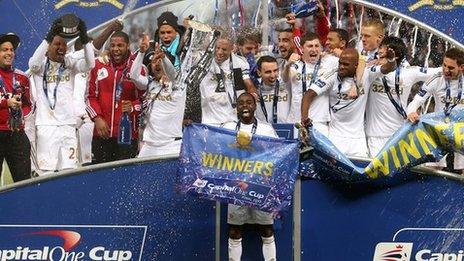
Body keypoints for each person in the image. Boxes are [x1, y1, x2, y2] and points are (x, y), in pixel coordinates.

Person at [29, 18, 94, 172]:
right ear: (48, 47)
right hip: (46, 126)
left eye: (64, 44)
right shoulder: (40, 67)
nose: (61, 47)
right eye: (57, 44)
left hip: (68, 125)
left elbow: (90, 64)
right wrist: (49, 36)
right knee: (46, 172)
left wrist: (84, 39)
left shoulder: (70, 64)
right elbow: (32, 64)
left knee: (69, 171)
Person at [221, 92, 278, 261]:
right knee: (235, 231)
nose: (245, 105)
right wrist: (190, 126)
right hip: (236, 185)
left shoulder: (266, 129)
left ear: (254, 106)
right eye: (241, 103)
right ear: (237, 108)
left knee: (266, 229)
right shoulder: (228, 128)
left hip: (260, 185)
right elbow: (212, 143)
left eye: (248, 102)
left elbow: (277, 153)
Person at [365, 36, 441, 157]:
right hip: (373, 136)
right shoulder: (371, 70)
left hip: (399, 134)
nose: (379, 55)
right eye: (380, 51)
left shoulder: (409, 72)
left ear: (395, 56)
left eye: (384, 53)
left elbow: (438, 71)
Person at [86, 31, 144, 164]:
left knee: (125, 178)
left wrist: (133, 107)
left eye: (120, 45)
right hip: (102, 133)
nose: (116, 49)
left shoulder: (138, 68)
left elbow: (145, 99)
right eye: (112, 46)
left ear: (127, 46)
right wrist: (97, 118)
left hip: (127, 135)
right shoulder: (98, 65)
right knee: (100, 178)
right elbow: (89, 96)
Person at [301, 48, 369, 157]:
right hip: (336, 137)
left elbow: (385, 68)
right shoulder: (332, 75)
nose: (341, 67)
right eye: (340, 63)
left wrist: (391, 60)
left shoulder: (366, 74)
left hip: (358, 140)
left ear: (356, 65)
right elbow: (308, 95)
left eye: (346, 64)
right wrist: (304, 120)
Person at [406, 48, 464, 172]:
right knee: (434, 168)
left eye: (451, 68)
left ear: (462, 67)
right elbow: (415, 101)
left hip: (461, 131)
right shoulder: (436, 79)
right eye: (444, 65)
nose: (446, 70)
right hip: (439, 128)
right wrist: (411, 112)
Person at [132, 33, 185, 157]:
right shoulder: (150, 83)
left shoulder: (178, 85)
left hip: (172, 145)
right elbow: (134, 76)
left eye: (160, 61)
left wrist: (164, 58)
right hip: (150, 146)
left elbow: (173, 75)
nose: (157, 64)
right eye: (155, 61)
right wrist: (141, 53)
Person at [284, 32, 339, 134]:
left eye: (317, 46)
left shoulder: (330, 62)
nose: (314, 49)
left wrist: (338, 53)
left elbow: (356, 60)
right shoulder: (295, 65)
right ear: (302, 49)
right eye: (310, 46)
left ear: (321, 48)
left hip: (319, 121)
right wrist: (287, 65)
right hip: (296, 121)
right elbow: (285, 79)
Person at [200, 35, 257, 126]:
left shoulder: (239, 63)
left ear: (232, 48)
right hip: (210, 119)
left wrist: (253, 94)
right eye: (217, 48)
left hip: (232, 119)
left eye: (224, 49)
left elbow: (248, 82)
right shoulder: (204, 60)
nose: (219, 52)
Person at [0, 33, 32, 182]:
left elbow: (29, 104)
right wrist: (6, 103)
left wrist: (21, 115)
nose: (9, 53)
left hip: (17, 135)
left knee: (24, 182)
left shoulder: (22, 77)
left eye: (11, 50)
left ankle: (25, 205)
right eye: (4, 49)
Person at [255, 55, 290, 123]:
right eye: (268, 72)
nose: (273, 75)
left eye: (275, 71)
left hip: (286, 129)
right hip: (264, 130)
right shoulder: (255, 90)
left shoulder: (287, 86)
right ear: (259, 73)